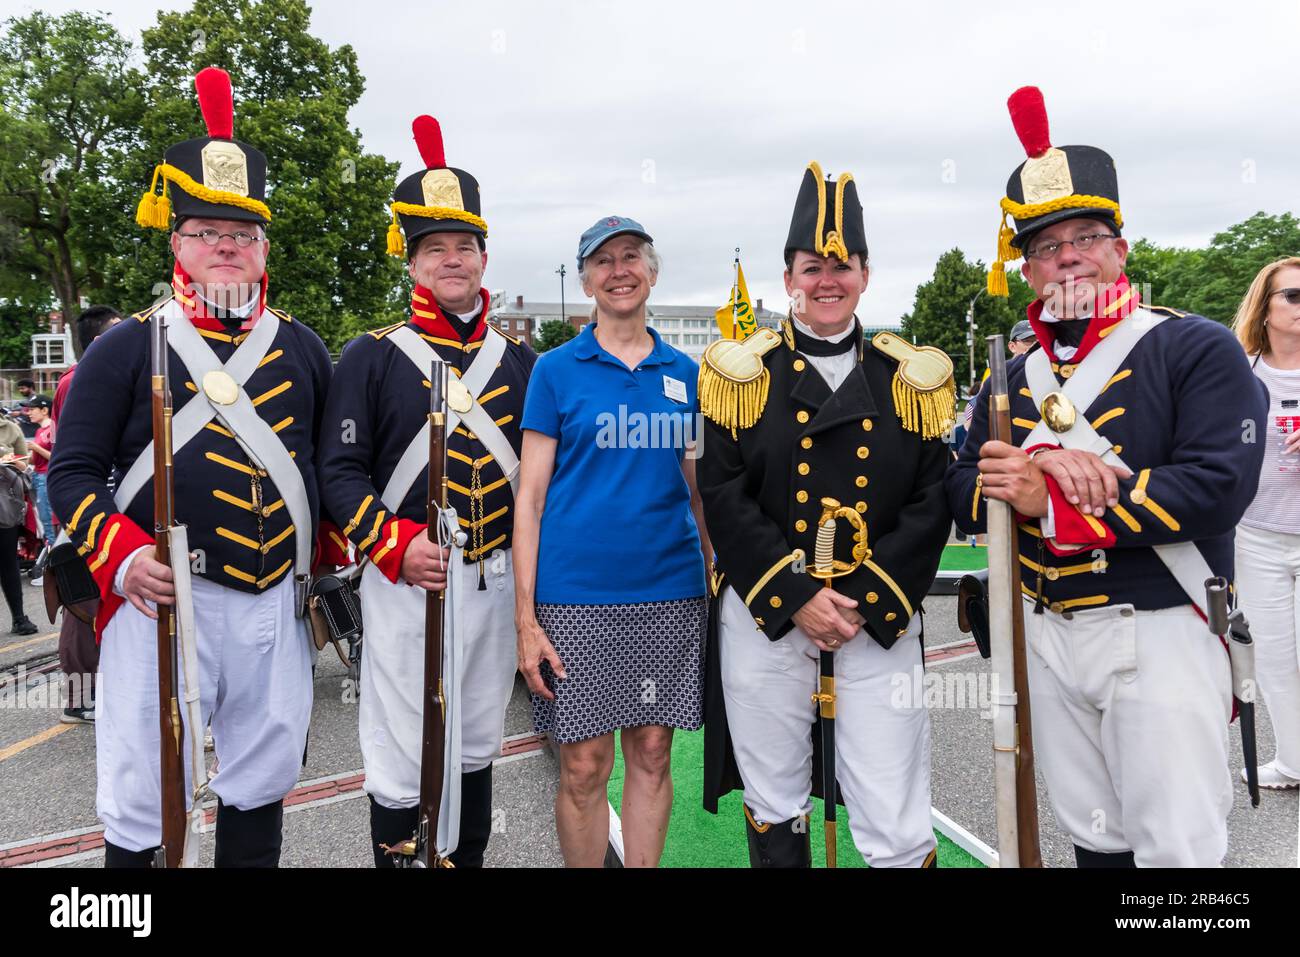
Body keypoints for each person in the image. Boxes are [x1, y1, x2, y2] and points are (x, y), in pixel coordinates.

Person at [946, 86, 1268, 867]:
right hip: (1046, 629)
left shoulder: (1191, 347)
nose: (1069, 256)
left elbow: (1218, 485)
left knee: (1176, 850)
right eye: (1048, 245)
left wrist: (1047, 498)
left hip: (1156, 622)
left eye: (1087, 236)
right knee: (1094, 839)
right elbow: (959, 488)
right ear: (1026, 267)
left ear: (1120, 249)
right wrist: (1036, 467)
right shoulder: (1010, 375)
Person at [48, 67, 344, 868]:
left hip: (273, 608)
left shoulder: (303, 347)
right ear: (175, 240)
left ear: (263, 248)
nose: (225, 244)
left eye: (241, 232)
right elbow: (70, 474)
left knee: (259, 782)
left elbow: (327, 469)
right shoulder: (125, 346)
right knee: (144, 799)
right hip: (160, 600)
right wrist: (122, 556)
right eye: (207, 229)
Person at [697, 163, 954, 868]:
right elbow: (723, 494)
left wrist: (863, 600)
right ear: (788, 280)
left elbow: (934, 499)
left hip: (878, 615)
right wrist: (797, 596)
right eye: (812, 267)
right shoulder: (741, 375)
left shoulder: (907, 378)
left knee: (895, 813)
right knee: (775, 802)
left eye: (842, 265)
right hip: (766, 614)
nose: (827, 280)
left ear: (866, 274)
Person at [318, 114, 534, 867]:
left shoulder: (518, 360)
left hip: (495, 580)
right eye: (435, 248)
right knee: (404, 741)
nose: (452, 260)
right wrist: (394, 545)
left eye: (464, 247)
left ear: (483, 257)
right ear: (411, 262)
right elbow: (337, 474)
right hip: (406, 580)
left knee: (477, 740)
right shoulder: (371, 356)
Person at [515, 216, 709, 867]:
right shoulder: (555, 371)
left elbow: (699, 489)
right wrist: (525, 619)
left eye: (632, 257)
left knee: (652, 754)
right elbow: (530, 500)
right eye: (604, 261)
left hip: (670, 593)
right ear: (587, 280)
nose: (619, 270)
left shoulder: (686, 372)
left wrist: (719, 578)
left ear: (652, 272)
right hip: (575, 599)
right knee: (583, 766)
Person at [1230, 256, 1300, 791]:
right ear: (1266, 307)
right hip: (1257, 534)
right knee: (1273, 659)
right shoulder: (1240, 370)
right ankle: (1295, 760)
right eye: (1292, 297)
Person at [51, 305, 122, 724]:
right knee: (81, 603)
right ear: (98, 339)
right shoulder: (78, 380)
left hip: (112, 499)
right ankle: (80, 697)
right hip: (89, 504)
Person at [1, 412, 37, 636]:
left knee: (8, 563)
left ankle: (19, 618)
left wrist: (9, 460)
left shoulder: (10, 429)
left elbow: (24, 464)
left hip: (4, 507)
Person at [23, 395, 55, 550]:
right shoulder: (40, 431)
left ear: (44, 410)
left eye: (32, 409)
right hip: (39, 476)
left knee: (47, 518)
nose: (28, 412)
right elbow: (35, 460)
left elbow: (56, 457)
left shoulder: (53, 428)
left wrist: (35, 448)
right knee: (43, 517)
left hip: (47, 477)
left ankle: (54, 551)